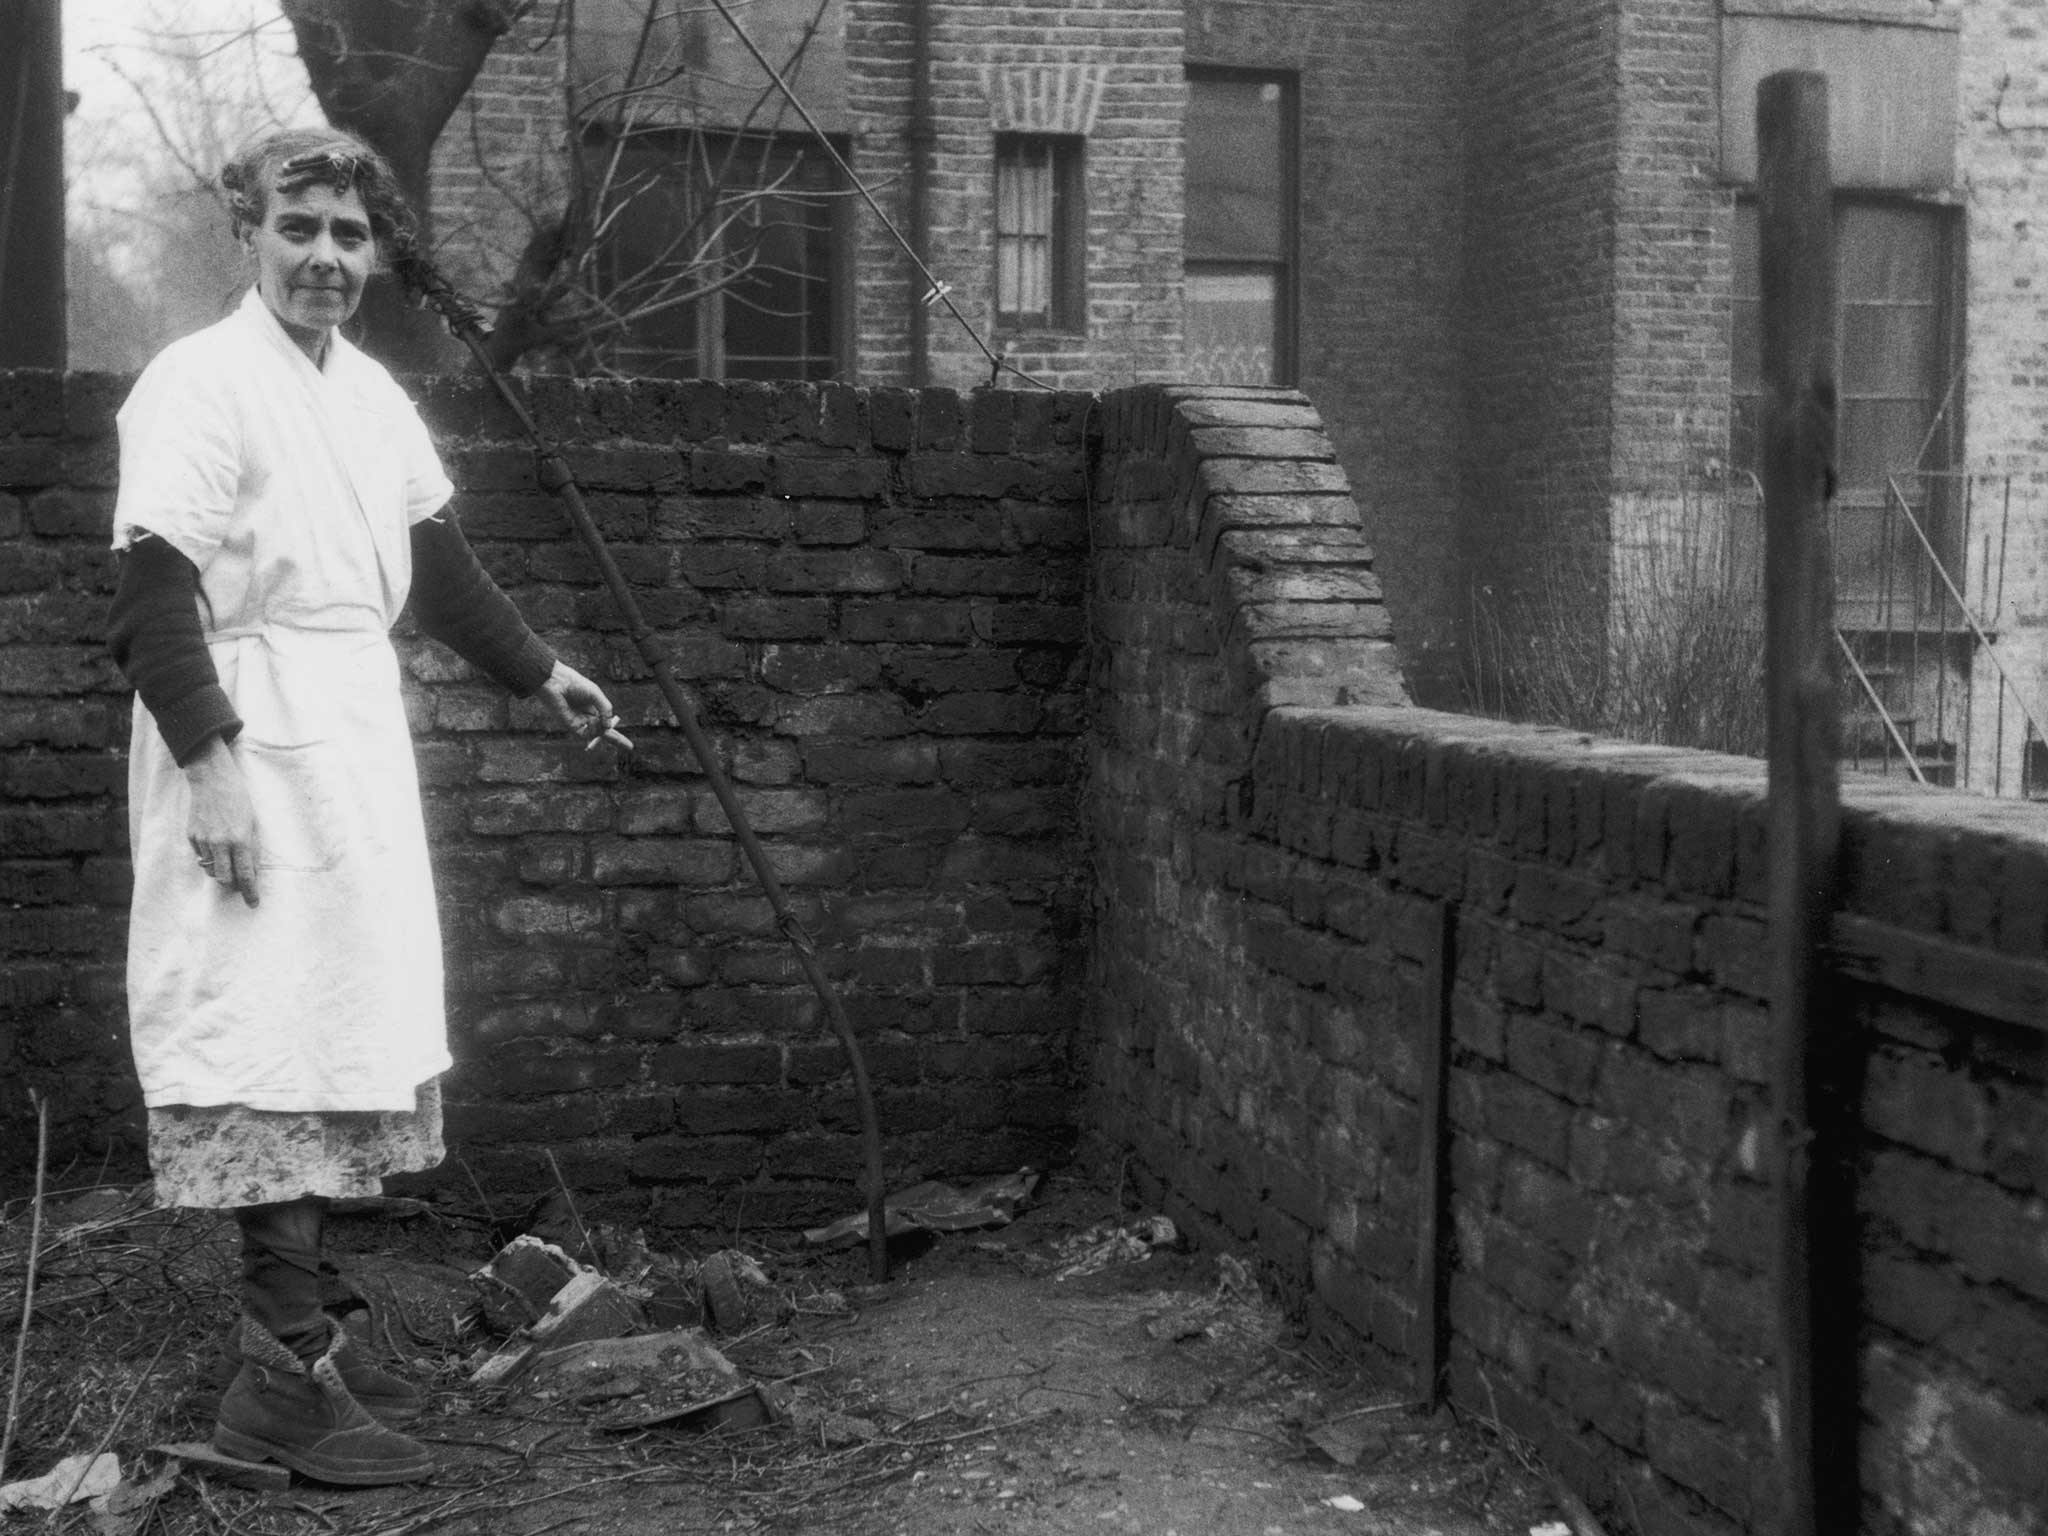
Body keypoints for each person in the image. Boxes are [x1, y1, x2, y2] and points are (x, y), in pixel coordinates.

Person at [105, 126, 625, 1486]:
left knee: (338, 1024)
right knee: (261, 1030)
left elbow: (435, 572)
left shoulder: (373, 397)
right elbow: (151, 598)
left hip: (349, 738)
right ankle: (276, 1377)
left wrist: (541, 670)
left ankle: (317, 1334)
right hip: (243, 731)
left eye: (350, 236)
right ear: (248, 233)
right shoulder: (198, 384)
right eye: (301, 230)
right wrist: (213, 765)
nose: (328, 258)